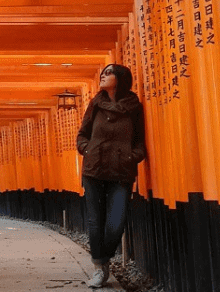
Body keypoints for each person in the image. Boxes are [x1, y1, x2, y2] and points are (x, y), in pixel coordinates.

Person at [76, 63, 146, 288]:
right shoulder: (96, 104)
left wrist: (131, 156)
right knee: (95, 222)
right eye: (102, 73)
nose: (103, 76)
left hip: (121, 171)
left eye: (109, 73)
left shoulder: (134, 106)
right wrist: (87, 149)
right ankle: (99, 268)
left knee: (116, 222)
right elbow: (82, 134)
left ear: (121, 78)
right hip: (94, 170)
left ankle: (102, 259)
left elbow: (139, 141)